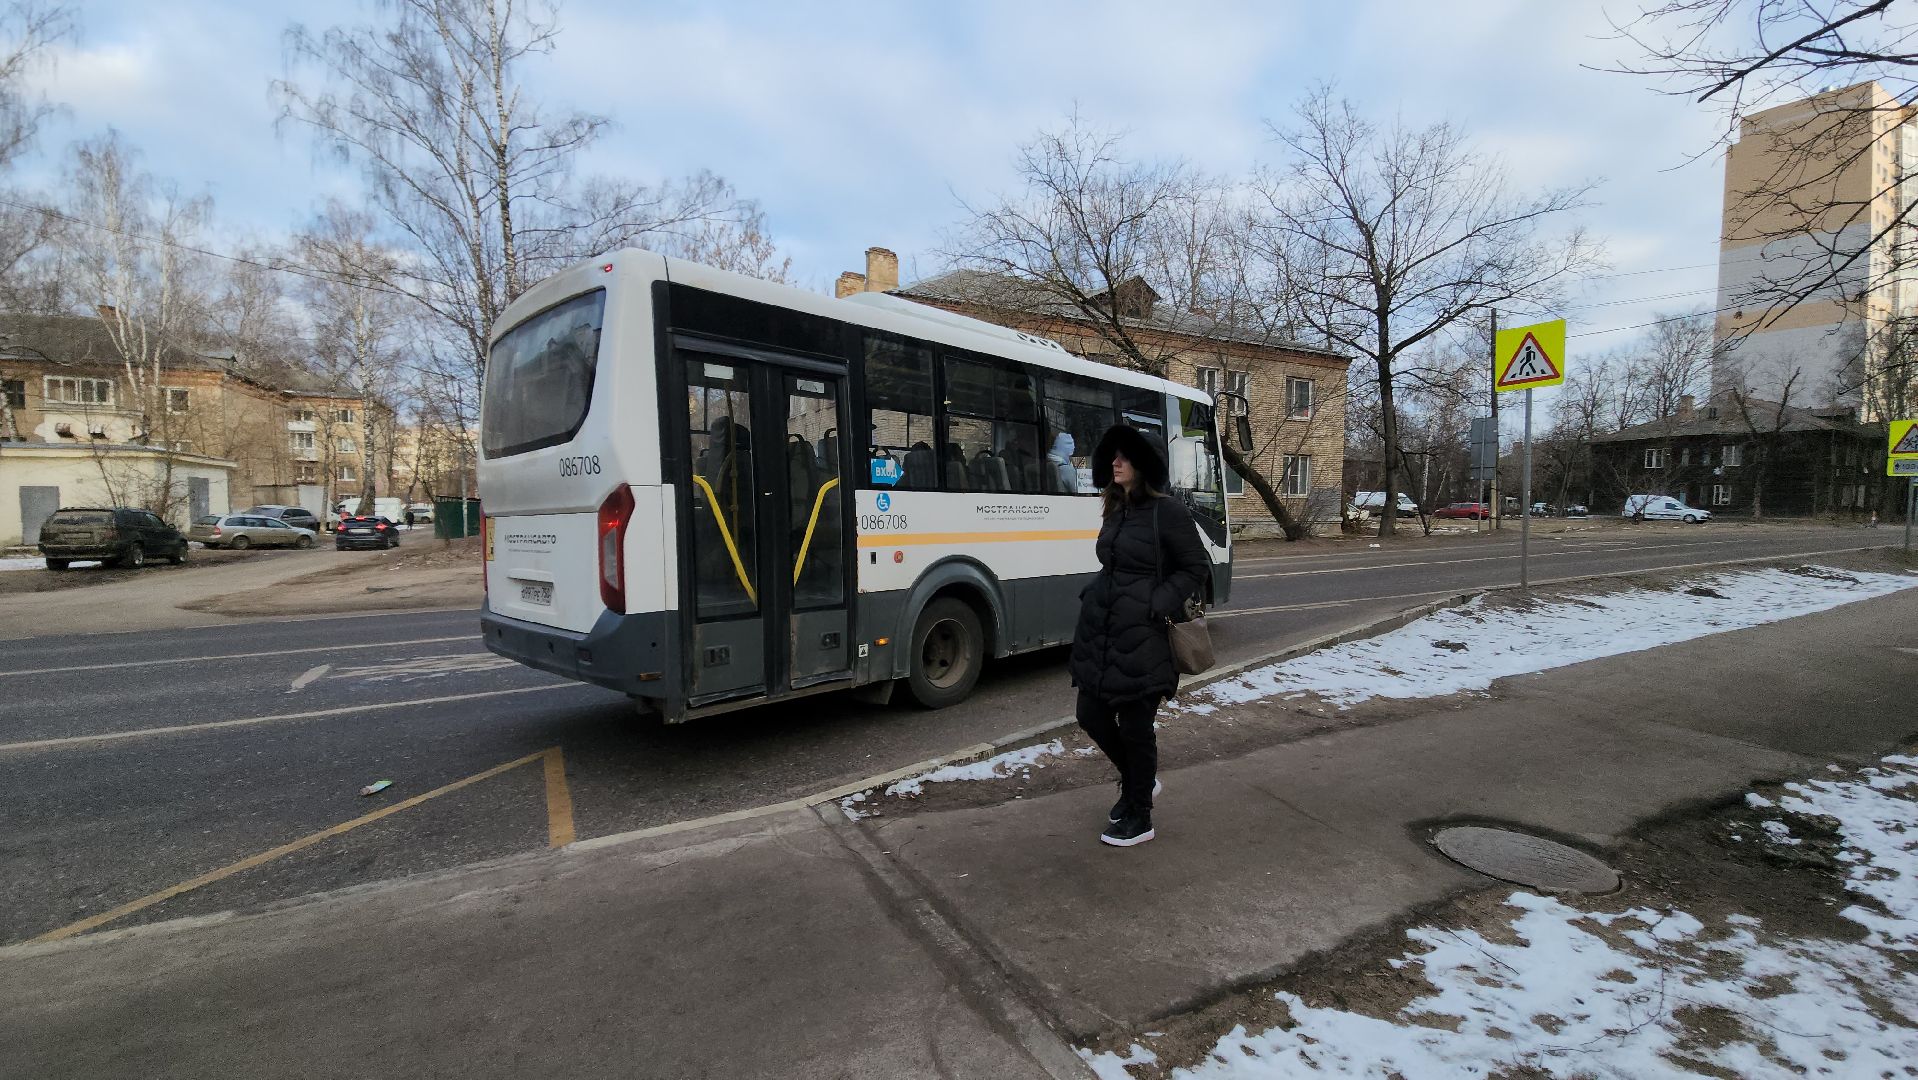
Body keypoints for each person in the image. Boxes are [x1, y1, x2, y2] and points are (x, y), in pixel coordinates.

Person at [1068, 424, 1211, 848]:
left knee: (1135, 726)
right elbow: (1113, 564)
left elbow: (1195, 567)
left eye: (1124, 457)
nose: (1115, 462)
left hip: (1144, 636)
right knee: (1089, 715)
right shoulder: (1116, 508)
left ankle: (1140, 814)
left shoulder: (1167, 512)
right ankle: (1138, 783)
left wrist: (1158, 602)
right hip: (1104, 632)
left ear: (1141, 466)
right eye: (1112, 456)